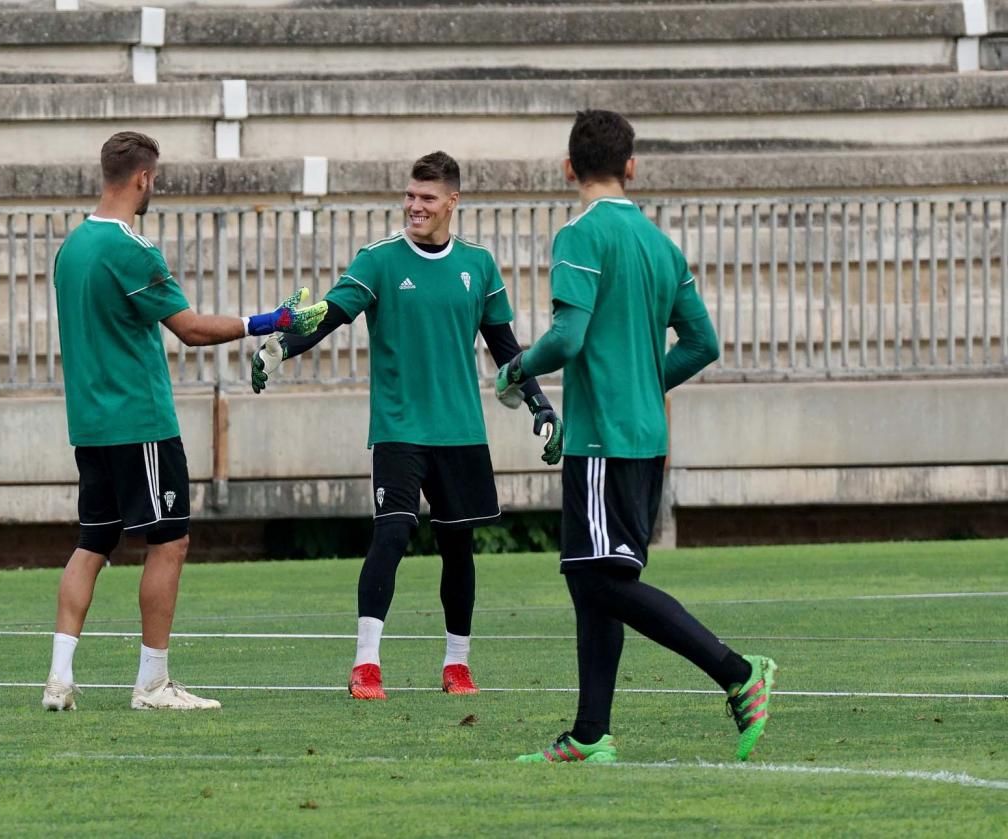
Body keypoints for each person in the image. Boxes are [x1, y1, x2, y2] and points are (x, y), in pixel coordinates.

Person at [503, 112, 776, 762]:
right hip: (647, 438)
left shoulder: (578, 236)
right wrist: (647, 382)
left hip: (602, 440)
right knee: (594, 575)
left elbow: (567, 338)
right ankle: (590, 733)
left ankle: (737, 672)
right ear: (632, 167)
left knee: (599, 580)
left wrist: (517, 369)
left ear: (569, 168)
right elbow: (703, 343)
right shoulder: (660, 244)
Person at [251, 151, 563, 700]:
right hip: (398, 428)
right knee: (391, 534)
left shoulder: (479, 265)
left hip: (462, 431)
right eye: (410, 196)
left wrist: (539, 404)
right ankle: (366, 665)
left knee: (459, 548)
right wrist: (282, 347)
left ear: (451, 202)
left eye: (426, 198)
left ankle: (457, 665)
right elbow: (331, 313)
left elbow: (505, 348)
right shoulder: (378, 260)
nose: (414, 206)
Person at [42, 131, 326, 711]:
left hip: (90, 425)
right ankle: (151, 683)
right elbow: (191, 329)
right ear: (144, 178)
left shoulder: (71, 247)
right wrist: (271, 319)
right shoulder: (131, 248)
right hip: (139, 422)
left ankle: (59, 678)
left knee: (91, 543)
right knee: (169, 540)